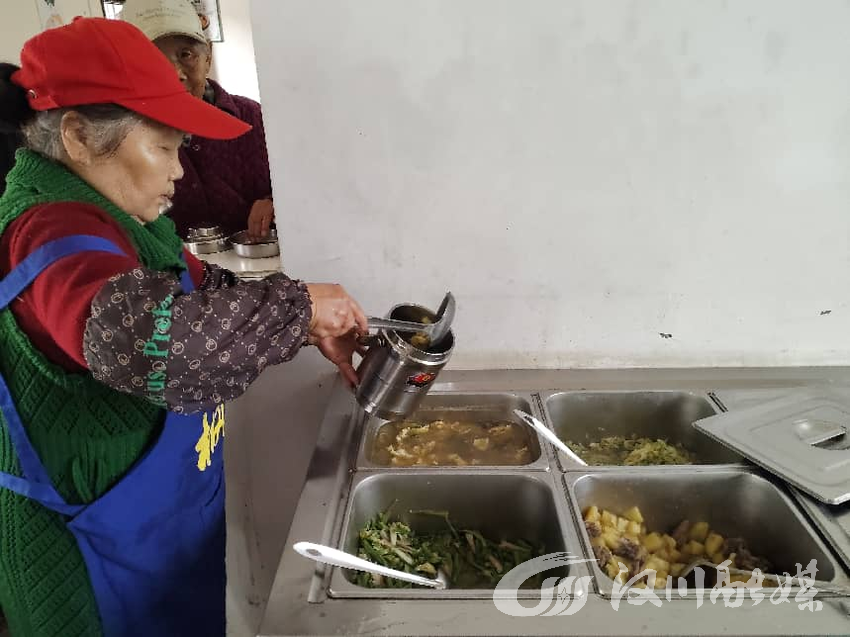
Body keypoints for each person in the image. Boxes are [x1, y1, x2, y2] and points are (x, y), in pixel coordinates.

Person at [0, 17, 367, 637]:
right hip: (86, 554)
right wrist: (298, 308)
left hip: (152, 531)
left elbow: (203, 289)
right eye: (164, 148)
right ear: (79, 136)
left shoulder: (125, 220)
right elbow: (146, 341)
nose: (177, 171)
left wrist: (307, 326)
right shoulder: (52, 231)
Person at [121, 0, 275, 239]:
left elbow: (303, 185)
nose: (175, 73)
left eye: (186, 54)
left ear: (208, 57)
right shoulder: (118, 135)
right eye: (154, 58)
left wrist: (275, 202)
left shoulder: (254, 118)